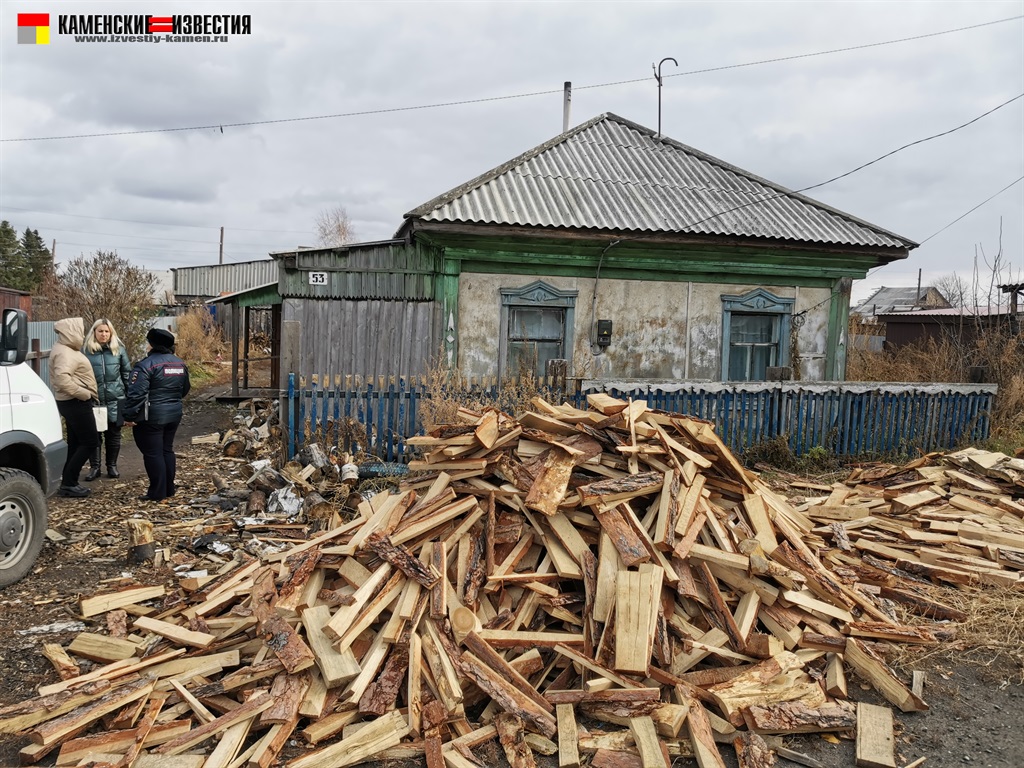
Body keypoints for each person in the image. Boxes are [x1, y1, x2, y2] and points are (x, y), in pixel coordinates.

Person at [123, 328, 191, 502]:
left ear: (151, 344)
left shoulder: (145, 365)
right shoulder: (179, 364)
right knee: (166, 449)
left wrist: (129, 416)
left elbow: (136, 394)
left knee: (153, 453)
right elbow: (184, 389)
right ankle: (169, 488)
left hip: (151, 416)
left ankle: (157, 492)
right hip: (174, 414)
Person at [49, 317, 99, 498]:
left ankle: (69, 482)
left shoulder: (65, 349)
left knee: (77, 443)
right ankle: (69, 483)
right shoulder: (65, 352)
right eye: (80, 330)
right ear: (72, 331)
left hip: (70, 401)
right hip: (75, 402)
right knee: (91, 441)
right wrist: (84, 394)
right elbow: (62, 379)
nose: (83, 334)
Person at [82, 319, 132, 481]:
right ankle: (95, 467)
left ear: (111, 333)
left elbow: (127, 375)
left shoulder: (119, 351)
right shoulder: (86, 351)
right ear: (94, 333)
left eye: (106, 331)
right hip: (94, 400)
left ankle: (112, 466)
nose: (103, 334)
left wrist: (130, 397)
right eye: (100, 331)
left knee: (114, 435)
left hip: (116, 399)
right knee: (94, 436)